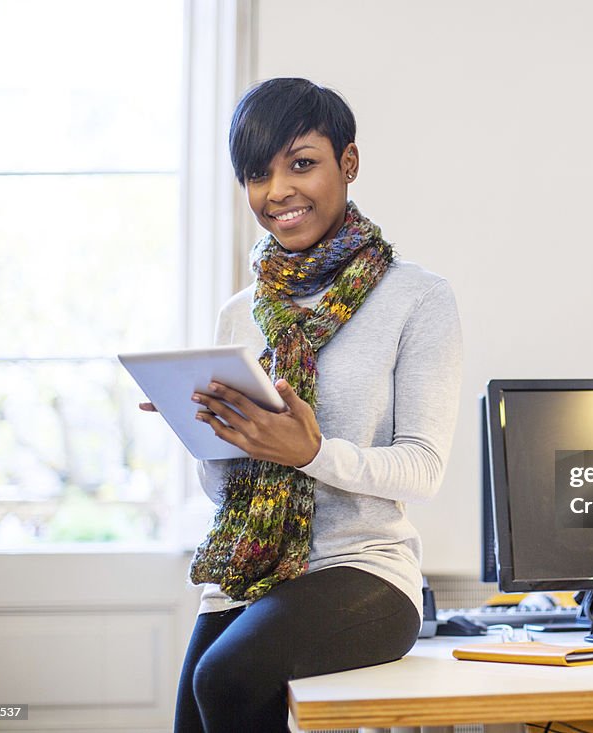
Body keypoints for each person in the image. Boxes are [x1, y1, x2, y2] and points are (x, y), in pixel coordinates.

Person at [164, 78, 462, 731]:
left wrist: (313, 452)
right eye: (256, 174)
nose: (277, 192)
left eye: (301, 163)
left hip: (364, 570)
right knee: (193, 710)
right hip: (255, 569)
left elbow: (423, 467)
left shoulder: (417, 298)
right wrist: (211, 433)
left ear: (347, 163)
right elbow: (224, 491)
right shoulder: (239, 314)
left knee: (228, 676)